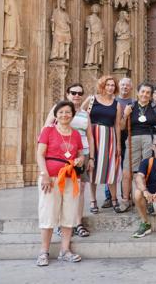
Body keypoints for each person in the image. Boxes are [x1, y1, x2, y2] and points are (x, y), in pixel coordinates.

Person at [36, 101, 85, 266]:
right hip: (51, 178)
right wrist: (44, 175)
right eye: (61, 112)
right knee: (48, 213)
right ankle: (44, 252)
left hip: (71, 178)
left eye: (68, 112)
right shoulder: (48, 131)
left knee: (69, 214)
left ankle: (65, 250)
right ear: (56, 114)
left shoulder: (76, 134)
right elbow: (40, 154)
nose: (65, 115)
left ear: (72, 115)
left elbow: (81, 154)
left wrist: (80, 160)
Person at [43, 84, 95, 237]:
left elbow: (90, 136)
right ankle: (62, 224)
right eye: (73, 93)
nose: (76, 96)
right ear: (67, 94)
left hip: (81, 155)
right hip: (61, 156)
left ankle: (78, 223)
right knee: (61, 188)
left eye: (80, 93)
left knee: (80, 189)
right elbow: (46, 128)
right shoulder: (59, 109)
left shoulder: (85, 114)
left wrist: (90, 157)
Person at [81, 76, 122, 214]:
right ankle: (93, 200)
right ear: (102, 86)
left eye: (112, 85)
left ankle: (115, 200)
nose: (110, 87)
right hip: (92, 136)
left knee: (110, 169)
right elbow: (79, 114)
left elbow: (117, 125)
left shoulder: (117, 104)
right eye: (108, 85)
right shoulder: (92, 99)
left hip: (109, 137)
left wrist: (118, 145)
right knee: (92, 169)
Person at [102, 78, 133, 211]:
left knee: (127, 167)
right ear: (118, 87)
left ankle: (126, 196)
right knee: (111, 166)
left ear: (131, 87)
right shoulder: (113, 102)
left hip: (129, 136)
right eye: (122, 84)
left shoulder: (134, 103)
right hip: (113, 136)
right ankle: (109, 197)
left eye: (127, 85)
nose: (125, 87)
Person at [122, 82, 156, 178]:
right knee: (129, 169)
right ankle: (128, 193)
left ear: (151, 95)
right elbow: (122, 126)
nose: (145, 94)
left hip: (150, 138)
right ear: (138, 93)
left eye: (148, 92)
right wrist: (125, 114)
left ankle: (145, 191)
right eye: (143, 91)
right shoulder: (131, 106)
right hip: (133, 138)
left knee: (148, 167)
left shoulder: (154, 107)